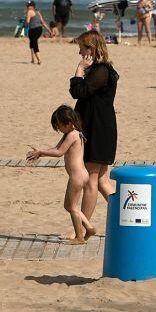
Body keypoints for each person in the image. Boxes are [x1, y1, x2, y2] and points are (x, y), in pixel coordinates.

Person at [26, 105, 96, 243]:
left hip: (77, 176)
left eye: (59, 127)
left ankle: (79, 237)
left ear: (68, 123)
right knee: (68, 205)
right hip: (80, 174)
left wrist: (41, 152)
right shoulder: (71, 133)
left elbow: (59, 153)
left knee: (73, 207)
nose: (59, 130)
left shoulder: (72, 135)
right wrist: (40, 152)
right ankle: (89, 227)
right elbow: (56, 148)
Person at [68, 30, 118, 223]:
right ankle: (128, 219)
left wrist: (79, 71)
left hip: (98, 129)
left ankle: (81, 228)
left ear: (91, 49)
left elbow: (78, 91)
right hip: (99, 127)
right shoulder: (100, 70)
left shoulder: (101, 71)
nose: (80, 53)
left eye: (81, 48)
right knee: (102, 181)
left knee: (92, 180)